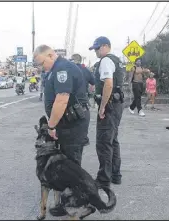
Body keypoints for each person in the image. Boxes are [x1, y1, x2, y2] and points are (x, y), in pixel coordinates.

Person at [33, 44, 90, 214]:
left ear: (50, 55)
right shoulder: (54, 69)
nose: (41, 67)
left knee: (71, 166)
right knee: (65, 166)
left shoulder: (62, 69)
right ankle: (68, 203)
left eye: (42, 63)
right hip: (66, 123)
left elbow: (61, 100)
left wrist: (51, 125)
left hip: (72, 124)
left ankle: (76, 207)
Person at [89, 36, 124, 188]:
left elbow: (108, 84)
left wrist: (102, 106)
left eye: (97, 48)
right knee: (113, 140)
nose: (95, 51)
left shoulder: (106, 61)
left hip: (109, 106)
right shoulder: (117, 60)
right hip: (117, 105)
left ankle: (104, 179)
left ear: (105, 46)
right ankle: (115, 175)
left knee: (104, 143)